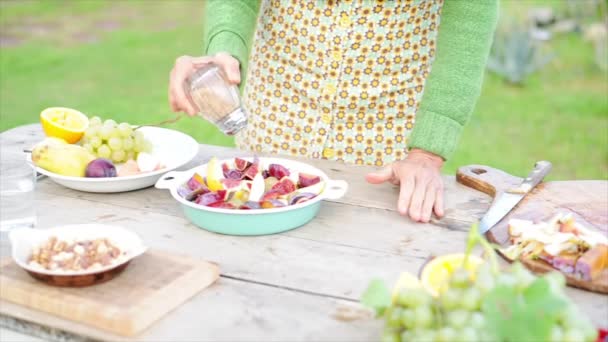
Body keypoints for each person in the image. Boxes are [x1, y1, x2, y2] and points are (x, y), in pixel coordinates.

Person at [168, 0, 498, 223]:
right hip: (275, 125)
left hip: (385, 156)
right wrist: (223, 47)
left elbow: (470, 22)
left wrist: (427, 152)